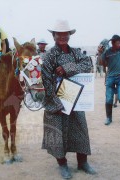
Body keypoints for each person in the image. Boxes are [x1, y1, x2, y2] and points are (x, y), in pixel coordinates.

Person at [41, 20, 96, 179]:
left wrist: (68, 68)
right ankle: (63, 165)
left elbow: (88, 64)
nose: (63, 36)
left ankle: (82, 162)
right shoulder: (50, 55)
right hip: (58, 100)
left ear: (69, 35)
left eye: (66, 34)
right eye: (59, 34)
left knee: (80, 129)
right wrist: (57, 103)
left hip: (75, 97)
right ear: (54, 36)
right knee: (58, 133)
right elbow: (46, 80)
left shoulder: (75, 53)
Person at [99, 34, 120, 125]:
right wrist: (100, 53)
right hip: (110, 78)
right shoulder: (107, 52)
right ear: (112, 43)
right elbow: (101, 63)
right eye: (118, 43)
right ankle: (108, 118)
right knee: (109, 99)